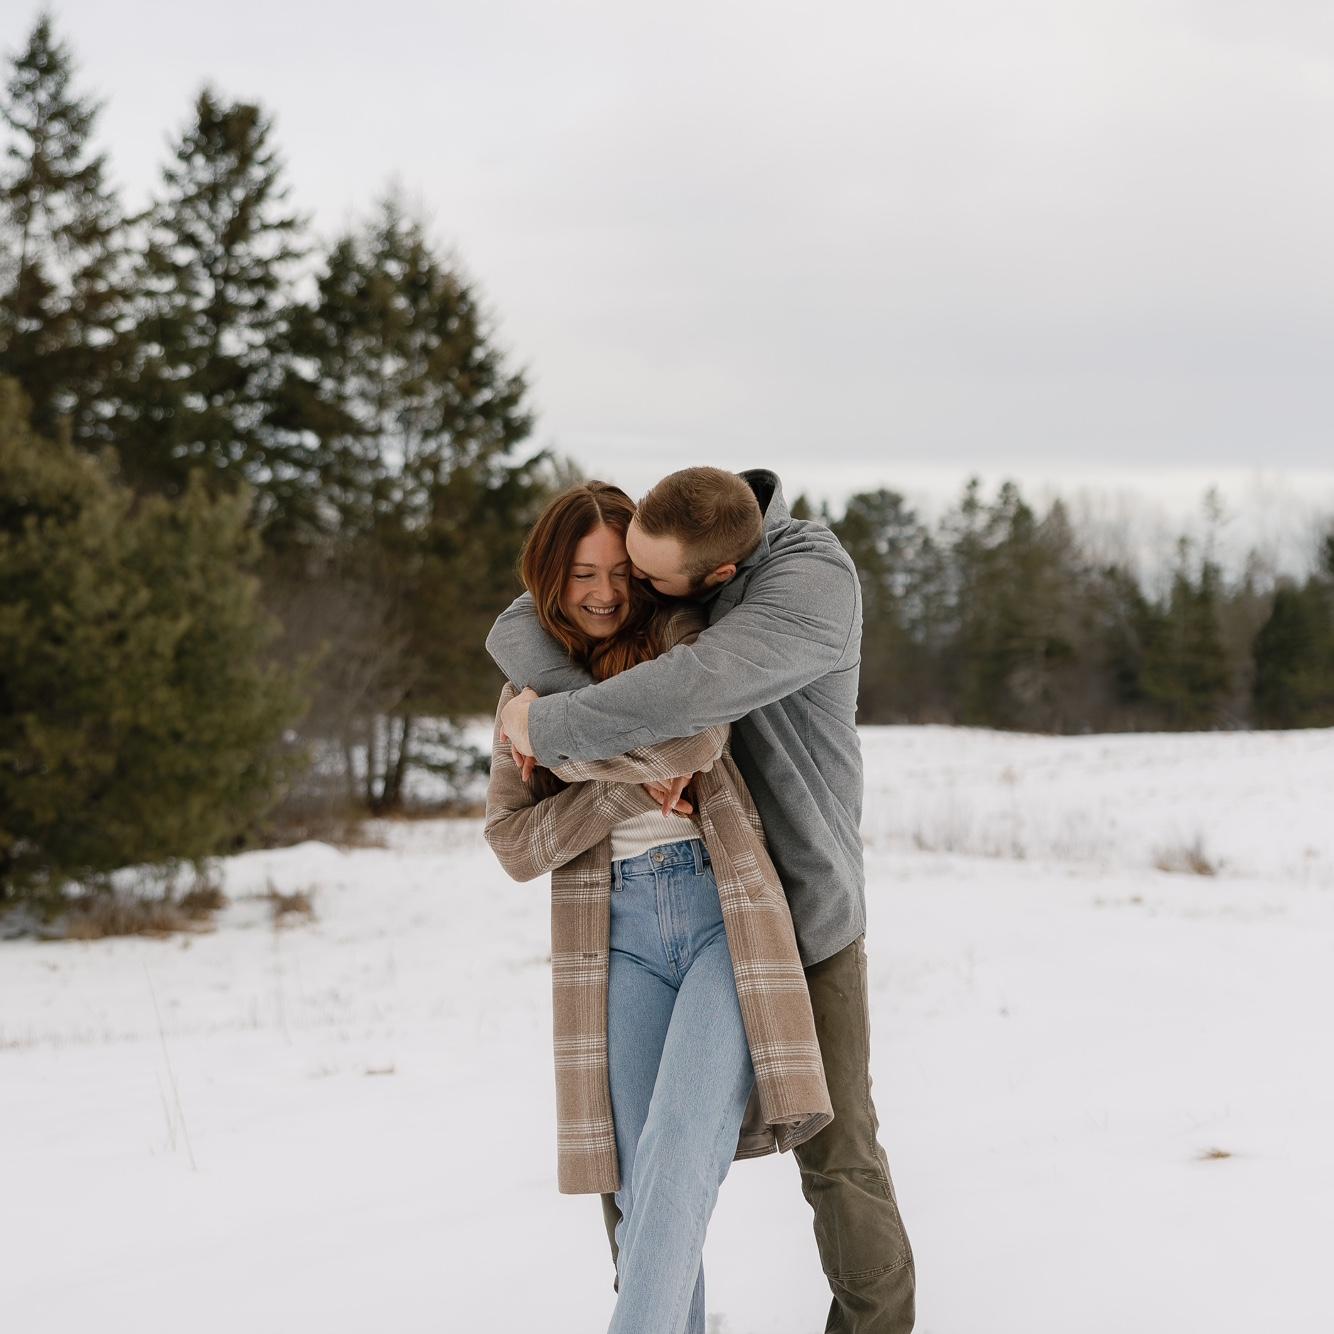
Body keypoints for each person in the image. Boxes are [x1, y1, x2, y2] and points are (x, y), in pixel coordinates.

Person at [489, 466, 916, 1334]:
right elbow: (516, 625)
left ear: (713, 576)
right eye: (597, 573)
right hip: (630, 922)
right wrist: (608, 764)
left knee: (834, 1158)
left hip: (797, 905)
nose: (623, 592)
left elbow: (692, 710)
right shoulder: (678, 550)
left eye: (637, 576)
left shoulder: (803, 586)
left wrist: (548, 730)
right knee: (634, 1173)